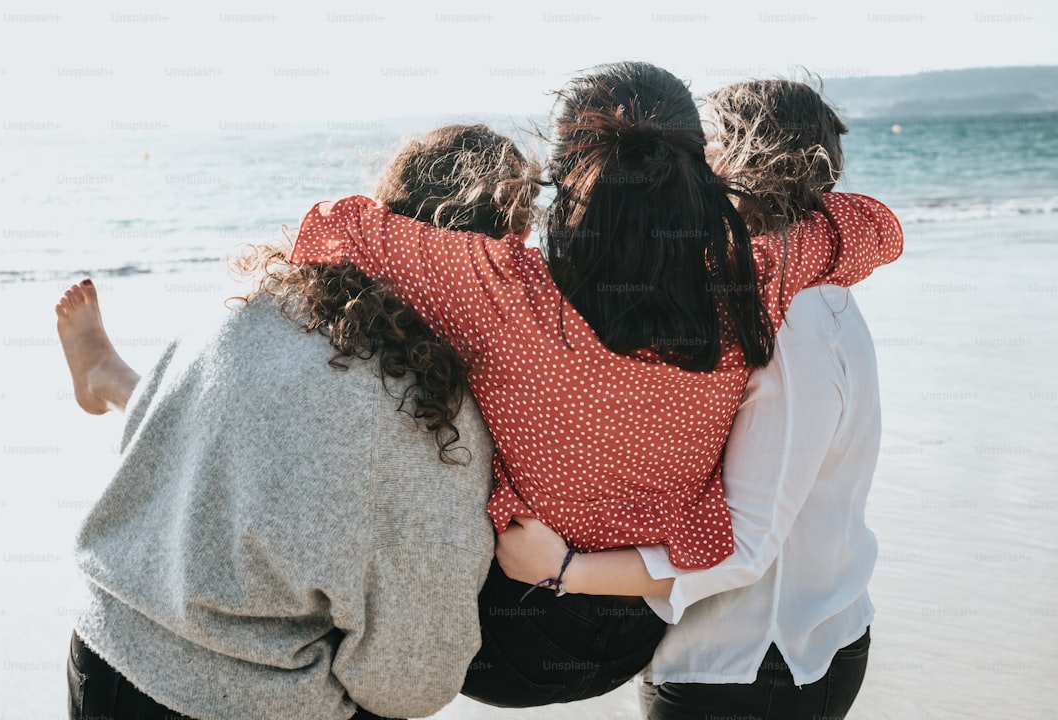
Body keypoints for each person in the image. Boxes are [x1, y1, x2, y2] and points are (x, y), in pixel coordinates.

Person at [287, 61, 902, 707]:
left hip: (508, 634)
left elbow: (333, 226)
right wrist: (728, 213)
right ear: (698, 169)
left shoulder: (503, 287)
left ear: (562, 173)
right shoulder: (755, 277)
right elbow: (877, 226)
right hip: (637, 628)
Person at [57, 124, 538, 720]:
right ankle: (108, 379)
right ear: (506, 251)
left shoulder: (257, 298)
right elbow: (411, 680)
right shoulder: (436, 415)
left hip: (100, 646)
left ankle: (109, 380)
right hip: (232, 701)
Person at [495, 79, 890, 719]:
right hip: (803, 641)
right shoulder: (800, 289)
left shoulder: (790, 324)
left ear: (729, 165)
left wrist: (564, 569)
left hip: (753, 660)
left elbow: (746, 547)